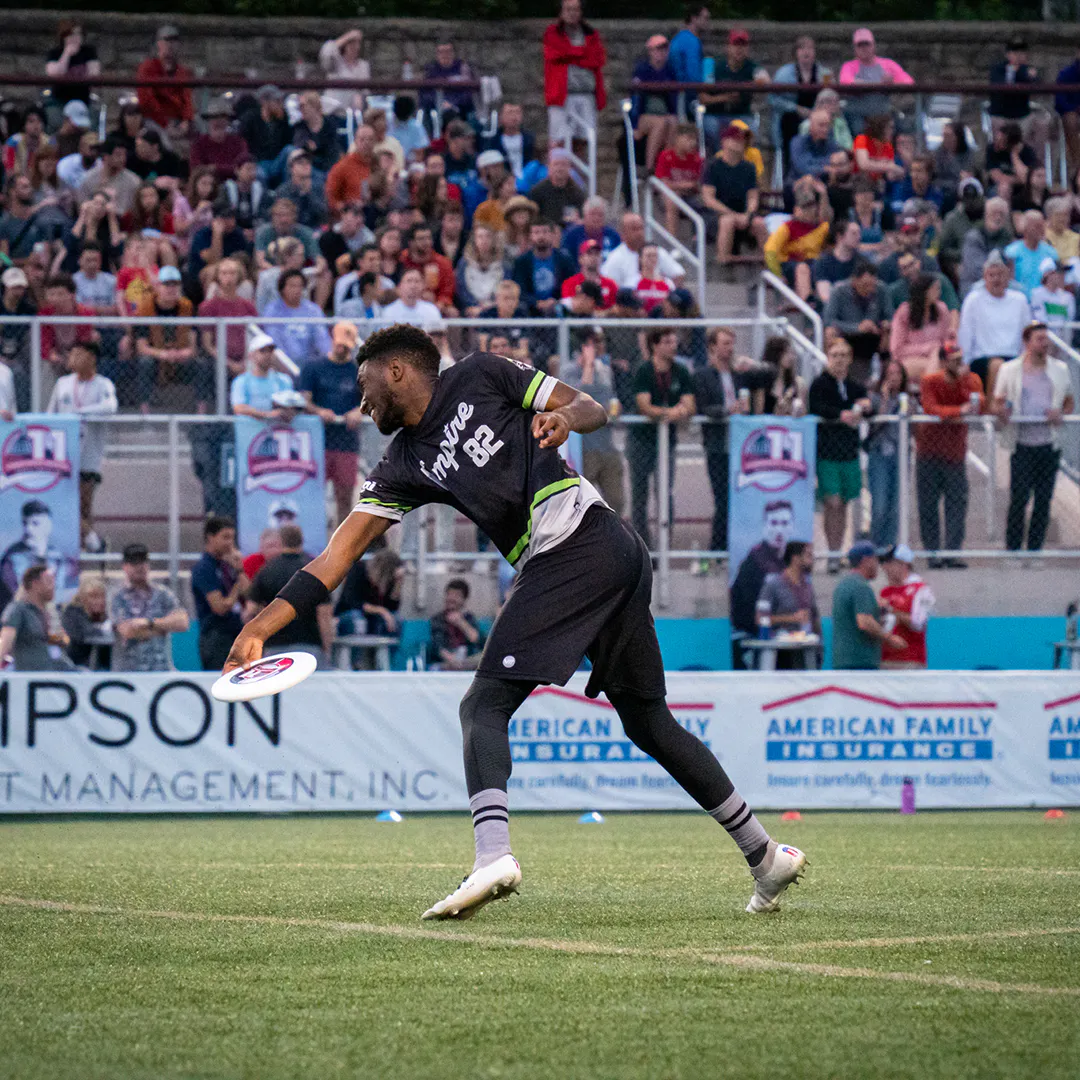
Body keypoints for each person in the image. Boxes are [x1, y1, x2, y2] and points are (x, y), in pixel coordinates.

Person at [223, 324, 807, 919]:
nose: (361, 399)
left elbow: (590, 406)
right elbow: (335, 558)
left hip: (581, 542)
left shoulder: (481, 373)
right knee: (648, 720)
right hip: (604, 551)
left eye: (364, 382)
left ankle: (493, 857)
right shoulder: (400, 464)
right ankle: (765, 855)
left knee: (483, 706)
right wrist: (261, 626)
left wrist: (566, 420)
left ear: (395, 370)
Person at [994, 322, 1075, 555]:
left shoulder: (1059, 369)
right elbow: (998, 400)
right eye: (1039, 339)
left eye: (1046, 338)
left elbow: (1069, 400)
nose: (1045, 343)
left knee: (1043, 499)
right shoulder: (1010, 370)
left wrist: (1060, 412)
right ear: (1027, 342)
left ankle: (1035, 549)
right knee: (1019, 497)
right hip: (1022, 444)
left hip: (1048, 444)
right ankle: (1013, 548)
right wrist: (1003, 411)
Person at [46, 339, 117, 552]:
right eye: (71, 354)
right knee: (66, 502)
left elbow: (110, 407)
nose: (72, 359)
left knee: (84, 505)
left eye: (77, 354)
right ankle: (93, 543)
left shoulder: (103, 384)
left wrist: (80, 413)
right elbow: (52, 414)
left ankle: (87, 549)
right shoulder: (63, 384)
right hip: (64, 454)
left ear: (91, 358)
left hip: (89, 455)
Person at [916, 342, 983, 568]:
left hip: (955, 452)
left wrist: (963, 385)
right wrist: (957, 411)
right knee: (928, 505)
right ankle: (933, 553)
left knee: (957, 502)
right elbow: (930, 408)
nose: (958, 363)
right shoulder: (930, 381)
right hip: (929, 451)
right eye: (953, 359)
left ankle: (952, 552)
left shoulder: (970, 380)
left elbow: (979, 403)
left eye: (960, 359)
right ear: (944, 362)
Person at [629, 327, 695, 547]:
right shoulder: (644, 370)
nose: (672, 346)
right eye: (667, 342)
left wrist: (678, 412)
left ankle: (665, 544)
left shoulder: (681, 371)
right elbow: (644, 405)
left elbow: (690, 403)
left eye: (674, 341)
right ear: (655, 345)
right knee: (640, 493)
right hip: (642, 440)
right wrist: (671, 413)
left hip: (667, 441)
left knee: (665, 492)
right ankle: (642, 545)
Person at [809, 338, 869, 572]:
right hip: (828, 453)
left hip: (849, 452)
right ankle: (832, 551)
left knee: (843, 503)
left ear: (850, 358)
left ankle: (838, 550)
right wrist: (840, 415)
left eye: (844, 355)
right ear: (828, 357)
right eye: (835, 355)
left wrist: (865, 407)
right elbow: (817, 407)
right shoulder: (820, 384)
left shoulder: (855, 386)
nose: (839, 360)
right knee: (831, 501)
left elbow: (866, 407)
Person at [300, 322, 365, 528]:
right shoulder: (314, 367)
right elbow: (303, 400)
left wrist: (358, 411)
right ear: (332, 340)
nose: (342, 348)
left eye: (346, 345)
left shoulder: (358, 371)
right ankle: (313, 539)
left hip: (346, 441)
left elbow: (371, 399)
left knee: (345, 497)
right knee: (312, 494)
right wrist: (319, 411)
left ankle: (341, 545)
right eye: (339, 343)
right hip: (319, 441)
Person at [693, 327, 748, 567]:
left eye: (732, 343)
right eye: (725, 343)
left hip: (739, 445)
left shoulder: (739, 374)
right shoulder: (703, 375)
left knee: (739, 498)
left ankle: (732, 547)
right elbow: (704, 407)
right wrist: (728, 411)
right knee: (722, 498)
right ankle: (717, 550)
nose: (730, 348)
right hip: (717, 445)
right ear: (713, 346)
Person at [247, 524, 333, 668]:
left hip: (274, 647)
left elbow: (250, 611)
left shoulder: (266, 571)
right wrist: (327, 647)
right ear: (302, 540)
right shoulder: (315, 570)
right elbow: (324, 614)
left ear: (281, 541)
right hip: (309, 645)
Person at [561, 329, 623, 515]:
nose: (600, 347)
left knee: (616, 500)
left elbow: (610, 400)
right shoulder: (568, 371)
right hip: (582, 449)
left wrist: (614, 409)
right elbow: (578, 402)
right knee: (581, 505)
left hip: (606, 444)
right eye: (595, 343)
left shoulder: (603, 370)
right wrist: (587, 366)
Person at [957, 250, 1031, 401]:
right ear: (985, 277)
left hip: (1014, 357)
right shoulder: (974, 300)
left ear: (1007, 277)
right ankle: (992, 409)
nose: (996, 279)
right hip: (981, 359)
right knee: (998, 366)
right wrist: (964, 362)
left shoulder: (1020, 300)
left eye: (1000, 275)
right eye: (991, 275)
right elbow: (966, 333)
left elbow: (1027, 334)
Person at [729, 501, 794, 669]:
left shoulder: (787, 563)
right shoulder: (754, 562)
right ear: (765, 526)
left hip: (776, 640)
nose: (779, 530)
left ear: (791, 526)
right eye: (774, 523)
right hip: (751, 641)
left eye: (784, 523)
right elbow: (754, 609)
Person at [831, 540, 906, 670]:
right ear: (866, 560)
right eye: (876, 559)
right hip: (859, 661)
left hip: (843, 660)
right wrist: (889, 638)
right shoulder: (861, 586)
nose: (878, 565)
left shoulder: (843, 585)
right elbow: (864, 622)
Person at [543, 0, 607, 150]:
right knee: (558, 140)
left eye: (575, 9)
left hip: (586, 95)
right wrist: (580, 53)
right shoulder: (553, 33)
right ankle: (558, 172)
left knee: (583, 141)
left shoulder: (591, 34)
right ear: (561, 12)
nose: (572, 13)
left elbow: (597, 59)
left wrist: (569, 55)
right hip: (562, 96)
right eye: (568, 9)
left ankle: (581, 174)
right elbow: (554, 54)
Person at [701, 126, 768, 265]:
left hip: (742, 214)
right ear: (724, 141)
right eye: (736, 139)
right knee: (727, 221)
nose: (741, 142)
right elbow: (709, 199)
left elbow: (753, 196)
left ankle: (769, 264)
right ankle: (723, 260)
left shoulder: (749, 168)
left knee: (759, 223)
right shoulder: (713, 166)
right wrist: (732, 214)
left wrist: (748, 214)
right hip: (716, 215)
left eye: (743, 139)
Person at [192, 515, 247, 671]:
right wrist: (236, 585)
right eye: (225, 537)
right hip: (216, 638)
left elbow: (250, 594)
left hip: (237, 633)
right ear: (211, 537)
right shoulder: (204, 568)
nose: (230, 543)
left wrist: (239, 570)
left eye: (232, 538)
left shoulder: (228, 565)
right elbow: (220, 607)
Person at [699, 28, 769, 149]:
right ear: (728, 47)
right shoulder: (715, 66)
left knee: (750, 129)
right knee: (712, 127)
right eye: (735, 44)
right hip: (716, 114)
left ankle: (744, 165)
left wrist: (744, 86)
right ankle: (720, 161)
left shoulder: (752, 66)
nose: (739, 49)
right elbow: (702, 98)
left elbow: (765, 80)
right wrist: (725, 98)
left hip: (742, 114)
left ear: (747, 49)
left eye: (743, 45)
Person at [822, 260, 890, 384]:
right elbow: (828, 320)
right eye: (865, 285)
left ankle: (885, 380)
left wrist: (880, 325)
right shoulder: (839, 291)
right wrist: (857, 327)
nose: (870, 289)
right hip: (847, 335)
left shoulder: (881, 289)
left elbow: (889, 316)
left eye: (873, 285)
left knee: (889, 332)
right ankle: (833, 373)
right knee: (830, 332)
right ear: (855, 281)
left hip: (874, 335)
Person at [865, 358, 908, 551]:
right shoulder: (874, 397)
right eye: (890, 374)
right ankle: (876, 545)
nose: (894, 378)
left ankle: (890, 545)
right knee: (880, 504)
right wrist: (883, 399)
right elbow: (874, 423)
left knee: (895, 505)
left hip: (900, 455)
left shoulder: (907, 399)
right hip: (880, 453)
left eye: (898, 374)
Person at [772, 37, 832, 171]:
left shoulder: (825, 74)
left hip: (818, 116)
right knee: (789, 121)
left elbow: (833, 98)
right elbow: (774, 100)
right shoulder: (783, 74)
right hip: (793, 118)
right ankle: (790, 172)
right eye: (802, 48)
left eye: (810, 48)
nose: (806, 52)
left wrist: (819, 110)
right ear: (796, 53)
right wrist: (796, 108)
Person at [764, 177, 830, 299]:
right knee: (802, 268)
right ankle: (806, 302)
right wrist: (777, 275)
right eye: (805, 207)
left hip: (813, 263)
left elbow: (826, 217)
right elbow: (770, 251)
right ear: (796, 209)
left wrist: (824, 195)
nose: (809, 210)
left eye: (811, 206)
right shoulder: (787, 228)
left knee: (822, 266)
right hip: (789, 264)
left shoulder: (821, 228)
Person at [0, 501, 71, 615]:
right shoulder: (12, 557)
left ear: (48, 526)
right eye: (25, 523)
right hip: (20, 614)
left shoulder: (58, 557)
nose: (29, 529)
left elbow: (60, 591)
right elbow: (16, 592)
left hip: (52, 614)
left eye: (35, 523)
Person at [837, 29, 913, 136]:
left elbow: (909, 82)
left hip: (883, 112)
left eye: (867, 44)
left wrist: (892, 83)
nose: (864, 48)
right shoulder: (849, 66)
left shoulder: (888, 64)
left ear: (873, 46)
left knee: (903, 127)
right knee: (857, 128)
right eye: (860, 45)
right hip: (858, 113)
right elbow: (845, 82)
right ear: (855, 49)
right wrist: (878, 85)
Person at [757, 542, 821, 668]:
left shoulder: (807, 586)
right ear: (795, 558)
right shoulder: (773, 585)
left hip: (806, 652)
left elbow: (814, 617)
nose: (812, 560)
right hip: (781, 653)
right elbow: (760, 619)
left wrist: (819, 645)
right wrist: (791, 618)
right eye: (808, 555)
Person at [0, 565, 72, 672]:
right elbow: (5, 641)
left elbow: (65, 641)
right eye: (49, 581)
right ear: (35, 584)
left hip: (55, 670)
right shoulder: (18, 610)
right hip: (31, 675)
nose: (53, 586)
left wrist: (57, 637)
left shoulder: (48, 612)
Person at [879, 544, 935, 670]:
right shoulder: (886, 591)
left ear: (903, 564)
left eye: (889, 563)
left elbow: (918, 623)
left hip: (910, 660)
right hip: (886, 659)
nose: (885, 567)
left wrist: (891, 610)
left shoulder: (920, 589)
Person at [889, 273, 950, 388]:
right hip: (908, 360)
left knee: (938, 359)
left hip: (938, 359)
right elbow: (897, 350)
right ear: (925, 292)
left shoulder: (941, 310)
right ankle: (931, 393)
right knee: (933, 359)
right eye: (935, 289)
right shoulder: (905, 312)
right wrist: (928, 348)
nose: (939, 292)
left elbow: (945, 342)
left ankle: (929, 391)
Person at [261, 268, 332, 369]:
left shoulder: (313, 310)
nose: (297, 290)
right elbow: (275, 341)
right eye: (292, 286)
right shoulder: (272, 311)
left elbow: (322, 339)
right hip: (282, 365)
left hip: (311, 365)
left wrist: (329, 359)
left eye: (300, 286)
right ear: (282, 288)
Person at [630, 35, 678, 172]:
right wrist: (634, 125)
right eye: (657, 49)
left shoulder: (670, 71)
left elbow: (673, 100)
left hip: (664, 113)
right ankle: (649, 168)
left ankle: (666, 167)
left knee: (673, 121)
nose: (661, 53)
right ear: (650, 51)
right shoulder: (642, 70)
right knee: (660, 123)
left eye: (664, 49)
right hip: (643, 116)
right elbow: (635, 98)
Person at [600, 211, 685, 288]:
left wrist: (667, 297)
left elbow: (678, 274)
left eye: (641, 228)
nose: (639, 233)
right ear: (623, 233)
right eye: (634, 229)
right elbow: (606, 283)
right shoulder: (615, 258)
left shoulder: (656, 251)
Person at [136, 25, 194, 137]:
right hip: (154, 120)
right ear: (158, 43)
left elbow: (187, 99)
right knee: (161, 138)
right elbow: (147, 101)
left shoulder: (182, 71)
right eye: (166, 40)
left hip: (178, 120)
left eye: (174, 41)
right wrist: (165, 124)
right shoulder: (148, 67)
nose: (170, 45)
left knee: (201, 127)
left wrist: (186, 121)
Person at [511, 220, 575, 317]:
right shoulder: (522, 261)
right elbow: (519, 290)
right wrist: (536, 303)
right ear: (530, 236)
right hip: (530, 311)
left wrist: (556, 301)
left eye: (545, 232)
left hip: (559, 309)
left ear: (552, 235)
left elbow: (571, 286)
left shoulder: (564, 260)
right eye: (536, 232)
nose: (541, 236)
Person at [230, 332, 294, 420]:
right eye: (262, 351)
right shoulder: (241, 381)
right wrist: (268, 415)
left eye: (270, 350)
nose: (268, 354)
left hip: (278, 430)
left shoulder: (284, 380)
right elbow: (239, 408)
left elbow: (289, 406)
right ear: (251, 355)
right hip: (251, 432)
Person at [429, 579, 486, 671]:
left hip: (466, 662)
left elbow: (477, 639)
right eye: (449, 594)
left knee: (485, 659)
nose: (451, 598)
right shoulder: (438, 619)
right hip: (445, 662)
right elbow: (438, 647)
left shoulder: (469, 618)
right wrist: (452, 660)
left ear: (464, 599)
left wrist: (461, 622)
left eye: (456, 595)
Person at [61, 575, 112, 670]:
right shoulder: (72, 612)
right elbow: (83, 635)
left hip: (101, 667)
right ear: (83, 598)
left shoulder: (102, 616)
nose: (100, 601)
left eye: (102, 597)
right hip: (75, 665)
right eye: (94, 597)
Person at [1004, 210, 1057, 299]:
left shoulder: (1051, 253)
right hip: (1020, 300)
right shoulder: (1012, 252)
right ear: (1025, 228)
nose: (1041, 230)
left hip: (1044, 304)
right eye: (1036, 226)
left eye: (1042, 226)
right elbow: (1008, 281)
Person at [668, 5, 710, 118]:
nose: (708, 22)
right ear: (694, 18)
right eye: (705, 18)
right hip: (685, 94)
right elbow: (693, 74)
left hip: (678, 92)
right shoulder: (691, 41)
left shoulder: (679, 38)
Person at [319, 28, 371, 115]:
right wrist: (348, 36)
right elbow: (326, 52)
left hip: (354, 114)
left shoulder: (363, 65)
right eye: (352, 44)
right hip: (333, 111)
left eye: (358, 44)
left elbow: (365, 92)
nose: (356, 47)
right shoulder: (335, 62)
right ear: (344, 45)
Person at [528, 148, 586, 226]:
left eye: (563, 164)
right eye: (556, 164)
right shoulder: (537, 191)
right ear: (549, 167)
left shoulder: (577, 193)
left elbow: (582, 218)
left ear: (569, 168)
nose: (560, 168)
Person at [1031, 258, 1075, 330]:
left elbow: (1069, 323)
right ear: (1047, 275)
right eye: (1059, 272)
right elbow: (1040, 320)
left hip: (1063, 340)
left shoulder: (1069, 297)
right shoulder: (1037, 295)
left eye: (1063, 273)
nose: (1063, 276)